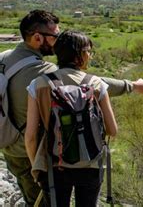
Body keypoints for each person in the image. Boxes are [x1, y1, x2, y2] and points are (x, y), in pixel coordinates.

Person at [0, 10, 143, 206]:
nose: (58, 41)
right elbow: (90, 82)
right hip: (29, 153)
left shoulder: (5, 57)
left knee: (32, 197)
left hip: (8, 144)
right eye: (55, 36)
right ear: (37, 37)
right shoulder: (42, 74)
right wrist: (132, 85)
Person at [25, 30, 118, 206]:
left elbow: (30, 137)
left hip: (53, 167)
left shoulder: (38, 85)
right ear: (80, 55)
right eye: (88, 51)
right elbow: (112, 130)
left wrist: (36, 168)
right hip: (90, 165)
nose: (90, 56)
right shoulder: (97, 84)